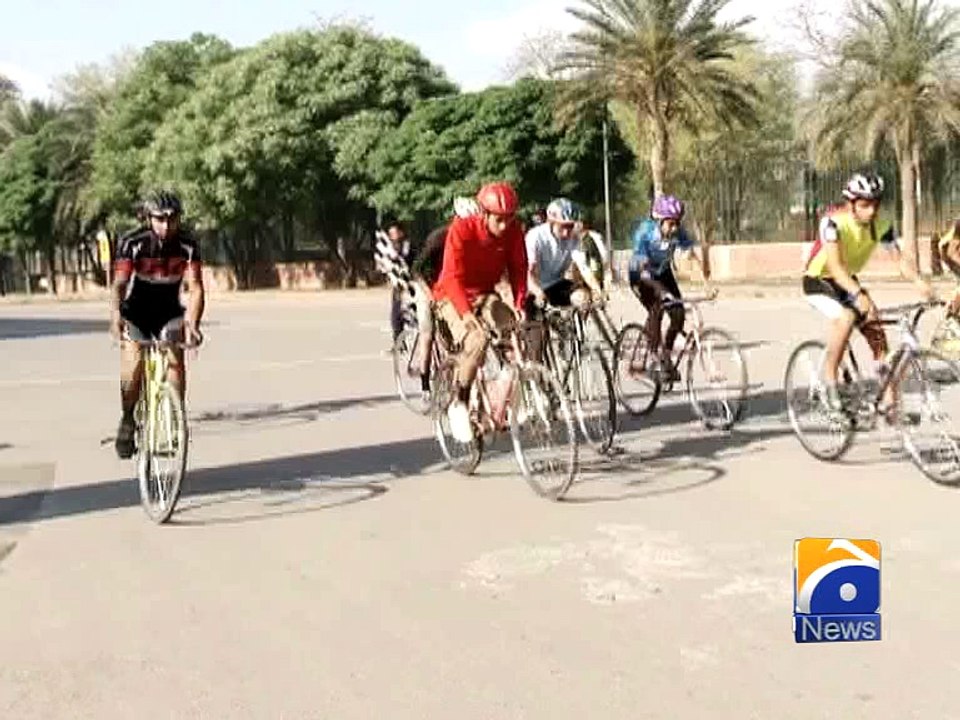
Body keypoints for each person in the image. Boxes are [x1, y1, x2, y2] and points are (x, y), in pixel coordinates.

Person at [802, 171, 932, 414]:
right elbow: (835, 268)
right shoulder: (832, 222)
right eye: (864, 205)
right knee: (847, 317)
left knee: (877, 335)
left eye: (874, 204)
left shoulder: (881, 225)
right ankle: (830, 381)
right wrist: (859, 294)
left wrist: (919, 282)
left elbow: (899, 260)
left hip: (847, 281)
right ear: (850, 203)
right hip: (819, 280)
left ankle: (890, 405)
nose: (870, 211)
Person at [109, 190, 205, 459]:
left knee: (176, 355)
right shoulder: (133, 242)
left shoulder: (188, 245)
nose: (166, 225)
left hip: (169, 311)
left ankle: (175, 417)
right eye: (160, 219)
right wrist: (115, 314)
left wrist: (192, 323)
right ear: (148, 218)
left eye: (172, 219)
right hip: (136, 311)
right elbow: (119, 284)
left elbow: (196, 288)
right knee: (134, 363)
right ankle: (128, 418)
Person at [432, 182, 528, 442]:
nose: (505, 225)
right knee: (477, 339)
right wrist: (465, 314)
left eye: (510, 218)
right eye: (499, 219)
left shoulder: (514, 232)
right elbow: (451, 277)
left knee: (516, 331)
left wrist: (519, 304)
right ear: (484, 214)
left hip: (486, 294)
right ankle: (460, 402)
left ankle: (505, 395)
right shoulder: (462, 229)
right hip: (452, 296)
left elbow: (519, 268)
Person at [628, 194, 711, 380]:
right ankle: (653, 354)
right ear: (659, 221)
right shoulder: (644, 233)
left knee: (679, 313)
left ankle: (666, 354)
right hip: (641, 274)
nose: (674, 229)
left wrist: (707, 284)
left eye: (677, 223)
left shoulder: (678, 232)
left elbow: (692, 254)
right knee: (656, 308)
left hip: (663, 272)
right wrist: (658, 288)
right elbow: (643, 271)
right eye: (670, 224)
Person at [523, 198, 605, 361]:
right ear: (551, 222)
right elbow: (528, 273)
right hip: (534, 288)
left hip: (556, 284)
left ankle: (570, 338)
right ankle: (538, 378)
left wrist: (597, 290)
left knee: (583, 297)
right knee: (538, 344)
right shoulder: (536, 236)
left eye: (570, 226)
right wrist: (538, 292)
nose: (567, 232)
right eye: (563, 227)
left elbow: (583, 267)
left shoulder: (573, 238)